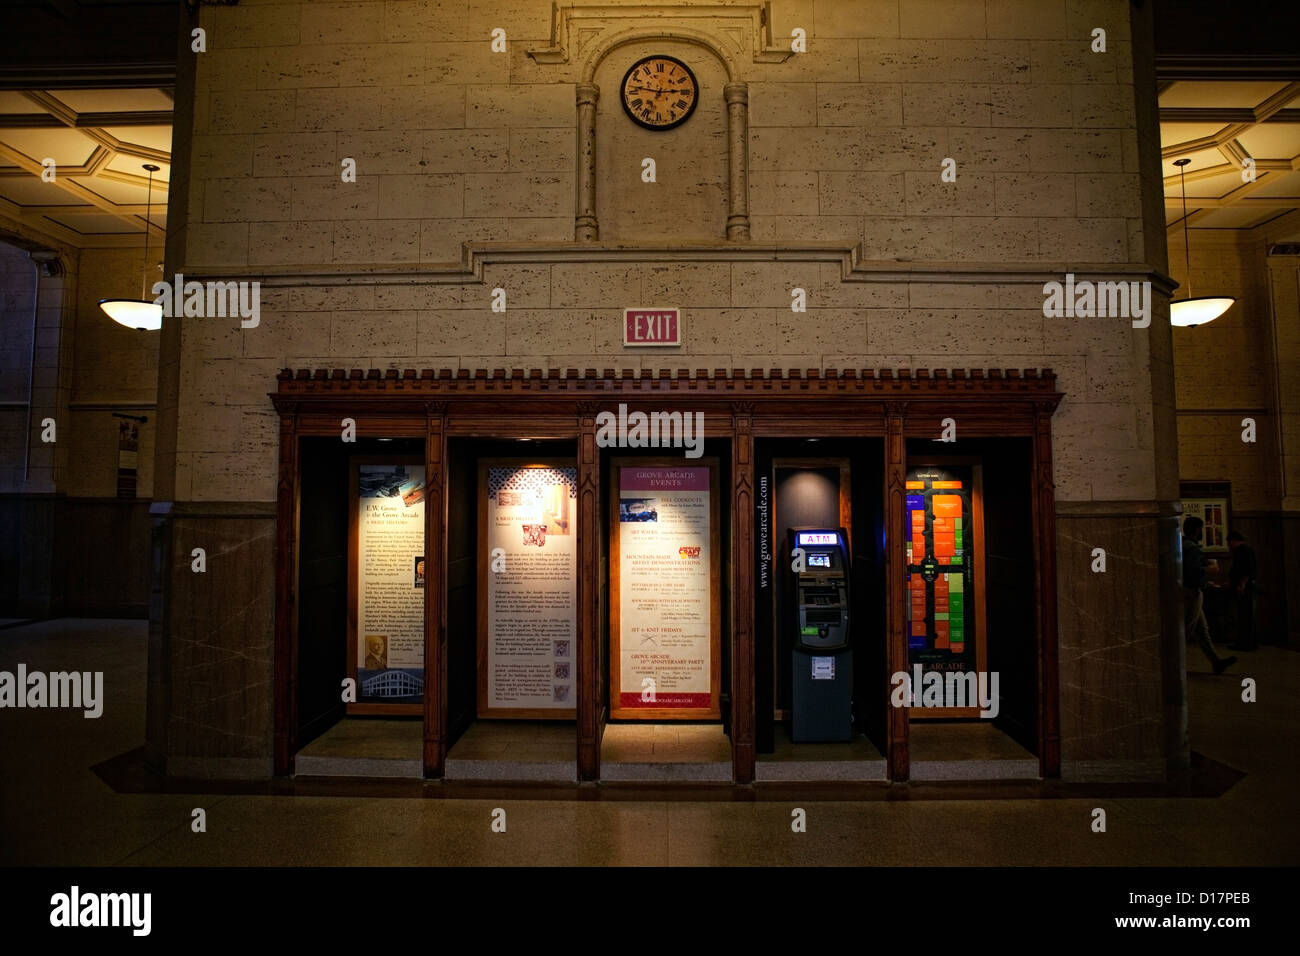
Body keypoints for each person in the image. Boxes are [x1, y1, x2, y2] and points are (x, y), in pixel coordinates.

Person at [1182, 516, 1236, 674]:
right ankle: (1172, 662)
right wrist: (1209, 571)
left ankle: (1216, 661)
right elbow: (1193, 571)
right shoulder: (1192, 548)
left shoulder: (1183, 545)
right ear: (1197, 529)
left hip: (1188, 590)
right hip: (1191, 592)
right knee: (1187, 627)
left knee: (1201, 629)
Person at [1226, 530, 1258, 650]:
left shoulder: (1241, 551)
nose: (1229, 546)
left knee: (1244, 616)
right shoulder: (1248, 550)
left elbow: (1246, 570)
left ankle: (1244, 643)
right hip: (1247, 586)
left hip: (1244, 587)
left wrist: (1241, 585)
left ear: (1233, 541)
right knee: (1248, 615)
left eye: (1229, 542)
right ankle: (1250, 642)